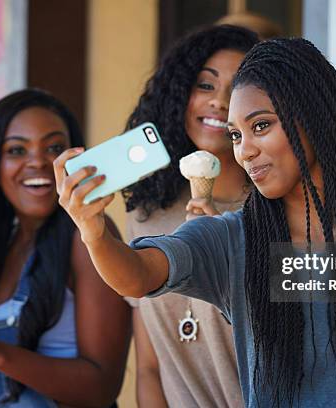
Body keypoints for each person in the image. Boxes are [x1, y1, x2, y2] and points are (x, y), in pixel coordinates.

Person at [54, 39, 336, 407]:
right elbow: (136, 275)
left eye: (260, 126)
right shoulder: (234, 238)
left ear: (315, 116)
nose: (244, 151)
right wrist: (92, 229)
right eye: (236, 135)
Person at [0, 89, 131, 407]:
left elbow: (102, 387)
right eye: (17, 150)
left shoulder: (87, 237)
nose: (39, 162)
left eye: (55, 148)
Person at [122, 25, 258, 407]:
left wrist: (223, 245)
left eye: (237, 90)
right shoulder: (148, 213)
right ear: (180, 94)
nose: (219, 102)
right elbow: (150, 366)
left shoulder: (280, 211)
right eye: (205, 85)